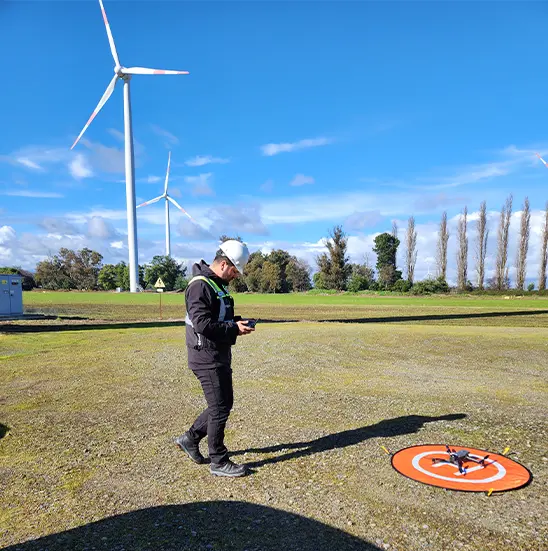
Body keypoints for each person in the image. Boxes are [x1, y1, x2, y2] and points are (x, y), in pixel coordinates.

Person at [175, 240, 255, 477]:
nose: (235, 276)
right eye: (234, 271)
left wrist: (237, 322)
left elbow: (218, 316)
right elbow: (202, 324)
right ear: (223, 264)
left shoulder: (216, 284)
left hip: (217, 352)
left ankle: (189, 439)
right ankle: (218, 460)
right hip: (205, 355)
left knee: (222, 404)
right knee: (219, 407)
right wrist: (233, 329)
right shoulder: (200, 286)